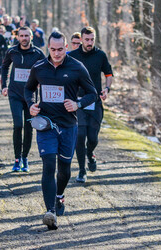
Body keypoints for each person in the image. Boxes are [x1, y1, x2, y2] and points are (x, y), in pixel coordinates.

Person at [24, 31, 97, 230]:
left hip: (68, 125)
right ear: (49, 48)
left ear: (66, 47)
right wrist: (31, 104)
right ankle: (50, 212)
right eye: (53, 49)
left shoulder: (77, 67)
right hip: (46, 124)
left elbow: (92, 94)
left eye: (60, 49)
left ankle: (59, 196)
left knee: (64, 168)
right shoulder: (39, 67)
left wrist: (78, 103)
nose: (56, 53)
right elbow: (28, 89)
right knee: (48, 164)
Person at [69, 26, 113, 183]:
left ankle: (90, 153)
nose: (89, 42)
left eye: (92, 39)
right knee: (80, 136)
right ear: (81, 39)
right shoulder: (72, 56)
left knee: (93, 138)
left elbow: (108, 74)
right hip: (78, 102)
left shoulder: (100, 55)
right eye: (87, 39)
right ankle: (82, 170)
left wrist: (107, 89)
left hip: (95, 102)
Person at [1, 26, 45, 172]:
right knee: (18, 125)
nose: (24, 38)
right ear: (18, 37)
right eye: (22, 36)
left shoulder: (38, 53)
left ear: (31, 37)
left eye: (27, 35)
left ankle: (25, 158)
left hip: (31, 96)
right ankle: (16, 159)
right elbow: (4, 66)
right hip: (14, 94)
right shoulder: (12, 51)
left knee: (28, 127)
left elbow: (46, 71)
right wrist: (3, 85)